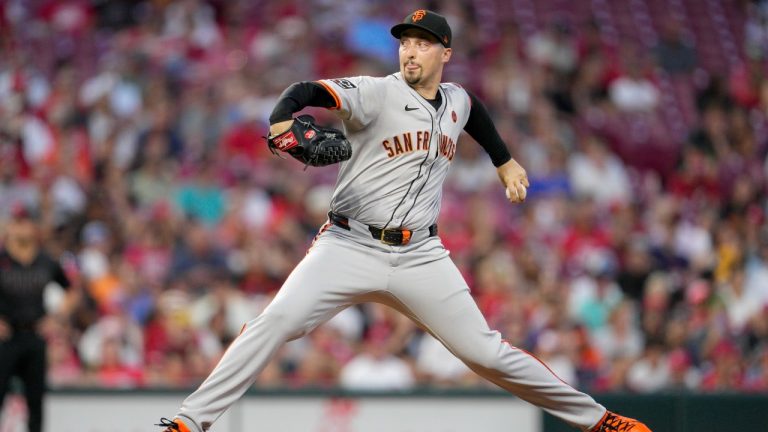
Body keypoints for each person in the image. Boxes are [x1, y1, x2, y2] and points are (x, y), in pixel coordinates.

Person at [157, 10, 652, 432]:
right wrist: (283, 118)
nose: (410, 52)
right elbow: (308, 90)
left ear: (445, 54)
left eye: (423, 44)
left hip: (420, 255)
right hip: (348, 245)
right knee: (276, 322)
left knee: (486, 354)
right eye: (406, 44)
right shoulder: (376, 92)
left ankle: (598, 421)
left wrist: (504, 159)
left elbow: (472, 110)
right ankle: (189, 421)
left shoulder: (455, 98)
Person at [0, 206, 74, 432]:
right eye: (17, 222)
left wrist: (56, 318)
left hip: (34, 335)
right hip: (6, 338)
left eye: (25, 222)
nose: (21, 227)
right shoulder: (2, 259)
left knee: (36, 400)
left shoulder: (45, 261)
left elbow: (71, 290)